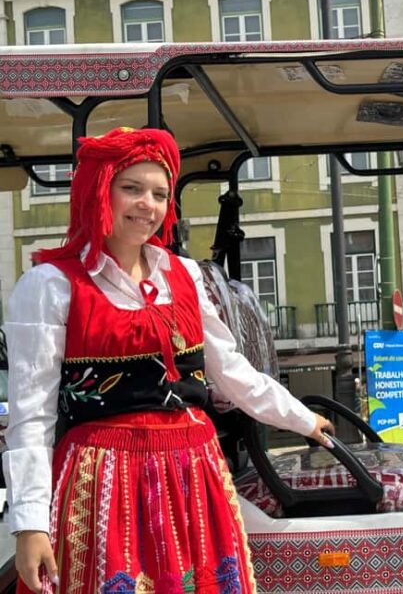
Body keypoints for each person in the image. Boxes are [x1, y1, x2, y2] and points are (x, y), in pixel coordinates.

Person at [2, 127, 335, 593]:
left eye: (160, 194)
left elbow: (229, 369)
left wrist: (303, 420)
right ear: (99, 190)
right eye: (132, 188)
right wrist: (30, 525)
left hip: (192, 473)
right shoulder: (51, 286)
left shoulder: (184, 275)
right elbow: (32, 415)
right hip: (104, 483)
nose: (148, 205)